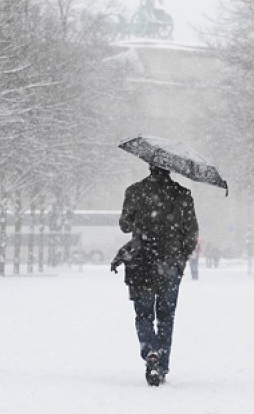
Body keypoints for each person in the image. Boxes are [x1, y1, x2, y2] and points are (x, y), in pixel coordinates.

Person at [111, 165, 198, 386]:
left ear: (149, 166)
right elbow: (191, 233)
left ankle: (150, 350)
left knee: (143, 316)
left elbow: (123, 225)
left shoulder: (134, 191)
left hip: (141, 264)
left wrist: (140, 223)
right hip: (170, 263)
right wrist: (180, 258)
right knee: (166, 318)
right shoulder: (183, 195)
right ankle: (162, 366)